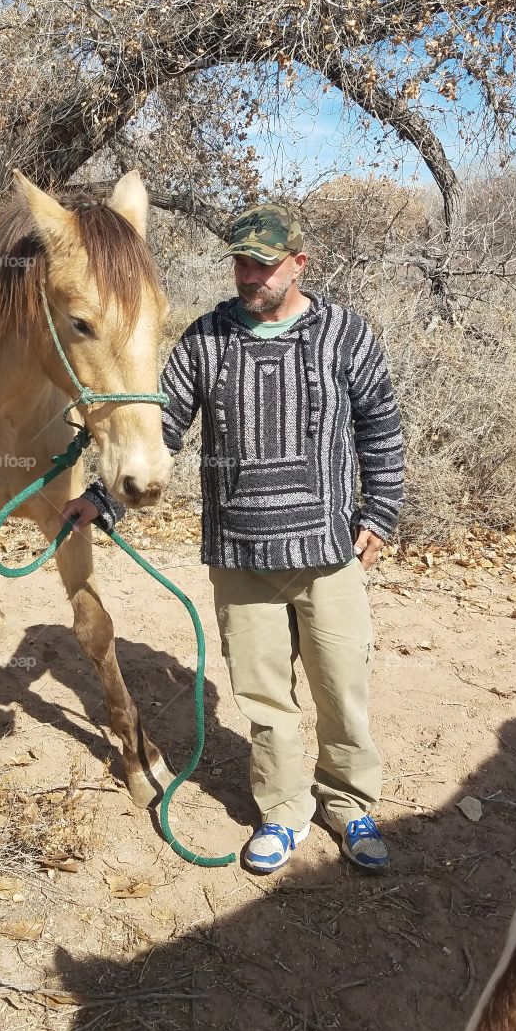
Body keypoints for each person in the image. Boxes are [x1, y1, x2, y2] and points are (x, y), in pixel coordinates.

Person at [61, 204, 405, 874]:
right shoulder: (206, 338)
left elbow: (381, 430)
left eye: (263, 264)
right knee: (264, 698)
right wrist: (106, 496)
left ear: (299, 265)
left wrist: (381, 513)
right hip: (242, 557)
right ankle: (282, 813)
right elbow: (162, 429)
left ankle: (349, 804)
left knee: (342, 688)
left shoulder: (346, 334)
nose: (248, 275)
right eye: (240, 262)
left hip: (329, 553)